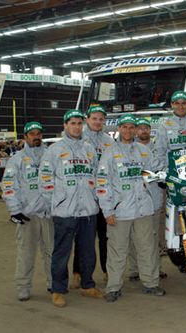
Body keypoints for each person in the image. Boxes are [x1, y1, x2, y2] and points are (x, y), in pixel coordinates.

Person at [96, 114, 165, 302]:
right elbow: (102, 184)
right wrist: (107, 211)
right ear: (119, 129)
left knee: (147, 248)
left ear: (135, 129)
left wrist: (166, 174)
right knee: (117, 250)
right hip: (120, 212)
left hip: (143, 209)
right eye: (124, 127)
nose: (128, 130)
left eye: (131, 127)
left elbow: (156, 172)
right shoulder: (109, 153)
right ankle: (113, 287)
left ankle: (150, 283)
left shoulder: (144, 151)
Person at [40, 109, 103, 307]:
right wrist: (57, 201)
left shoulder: (89, 149)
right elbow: (45, 180)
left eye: (78, 123)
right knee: (61, 252)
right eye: (72, 123)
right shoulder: (54, 150)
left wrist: (95, 199)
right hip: (64, 211)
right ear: (65, 125)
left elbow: (97, 177)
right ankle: (58, 289)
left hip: (88, 211)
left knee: (87, 251)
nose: (76, 127)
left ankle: (87, 285)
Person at [1, 121, 53, 302]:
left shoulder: (51, 155)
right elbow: (8, 186)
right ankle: (23, 286)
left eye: (39, 133)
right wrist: (15, 211)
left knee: (52, 252)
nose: (36, 136)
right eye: (32, 134)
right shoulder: (17, 159)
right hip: (27, 215)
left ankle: (53, 283)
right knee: (26, 252)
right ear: (25, 137)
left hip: (49, 213)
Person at [71, 105, 115, 289]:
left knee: (106, 238)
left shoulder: (109, 141)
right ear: (87, 120)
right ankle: (78, 273)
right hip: (85, 197)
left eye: (101, 119)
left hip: (104, 198)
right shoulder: (79, 138)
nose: (97, 122)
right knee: (83, 238)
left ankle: (107, 272)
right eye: (94, 118)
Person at [128, 117, 167, 281]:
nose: (144, 131)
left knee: (153, 237)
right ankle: (135, 269)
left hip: (154, 198)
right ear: (136, 130)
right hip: (133, 199)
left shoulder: (157, 148)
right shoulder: (129, 148)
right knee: (133, 237)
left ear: (150, 131)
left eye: (147, 128)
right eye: (140, 128)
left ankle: (154, 269)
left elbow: (163, 168)